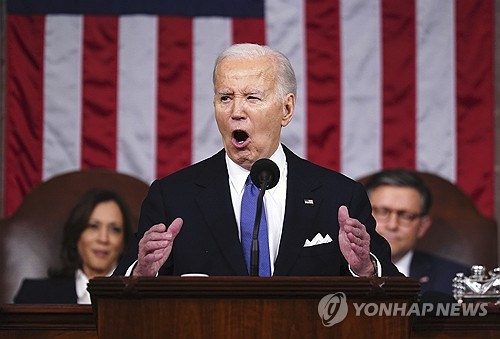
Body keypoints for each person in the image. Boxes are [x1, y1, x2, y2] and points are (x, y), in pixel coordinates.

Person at [113, 43, 400, 278]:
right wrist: (142, 274)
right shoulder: (172, 197)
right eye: (225, 98)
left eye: (252, 97)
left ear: (286, 109)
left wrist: (365, 269)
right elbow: (120, 291)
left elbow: (393, 293)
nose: (236, 111)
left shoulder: (339, 196)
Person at [14, 189, 133, 304]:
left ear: (124, 242)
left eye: (114, 229)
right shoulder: (34, 295)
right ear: (77, 236)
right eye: (93, 226)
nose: (103, 239)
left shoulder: (137, 299)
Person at [364, 169, 469, 295]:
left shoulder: (455, 280)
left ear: (422, 226)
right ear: (363, 216)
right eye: (382, 212)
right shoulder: (336, 270)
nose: (392, 225)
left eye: (406, 216)